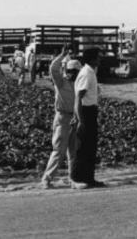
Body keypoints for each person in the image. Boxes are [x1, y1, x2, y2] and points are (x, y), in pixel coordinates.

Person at [42, 47, 82, 189]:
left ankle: (73, 178)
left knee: (73, 151)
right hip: (62, 118)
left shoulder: (78, 84)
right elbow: (53, 68)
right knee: (58, 150)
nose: (73, 74)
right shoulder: (61, 82)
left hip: (74, 119)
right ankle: (47, 178)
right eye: (71, 72)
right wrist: (62, 54)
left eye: (76, 72)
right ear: (67, 71)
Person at [70, 47, 105, 189]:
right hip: (85, 112)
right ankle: (76, 179)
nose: (100, 59)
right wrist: (80, 120)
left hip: (90, 110)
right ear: (92, 59)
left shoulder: (91, 72)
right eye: (98, 57)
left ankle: (89, 178)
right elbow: (79, 98)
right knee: (83, 147)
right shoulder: (86, 73)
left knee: (90, 147)